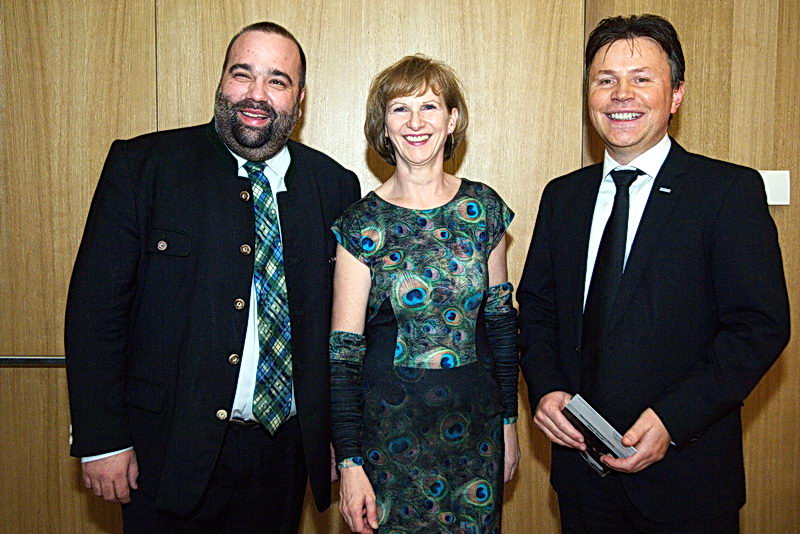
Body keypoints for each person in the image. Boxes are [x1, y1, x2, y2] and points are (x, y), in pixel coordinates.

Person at [65, 21, 360, 533]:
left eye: (277, 80)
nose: (256, 94)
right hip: (165, 452)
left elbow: (340, 330)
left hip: (283, 458)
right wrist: (102, 438)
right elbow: (96, 312)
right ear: (222, 81)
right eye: (242, 74)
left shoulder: (333, 185)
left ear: (300, 98)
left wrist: (337, 436)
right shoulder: (144, 167)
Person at [518, 14, 790, 534]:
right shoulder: (563, 197)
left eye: (641, 78)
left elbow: (759, 327)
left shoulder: (727, 192)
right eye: (605, 80)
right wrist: (547, 388)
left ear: (676, 94)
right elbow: (538, 309)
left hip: (687, 482)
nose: (621, 95)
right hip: (582, 482)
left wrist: (673, 420)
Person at [328, 55, 520, 534]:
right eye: (400, 109)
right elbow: (344, 352)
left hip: (476, 436)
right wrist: (349, 462)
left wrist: (509, 423)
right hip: (388, 440)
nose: (416, 122)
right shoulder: (360, 224)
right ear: (384, 126)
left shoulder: (483, 209)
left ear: (451, 120)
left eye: (429, 107)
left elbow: (500, 325)